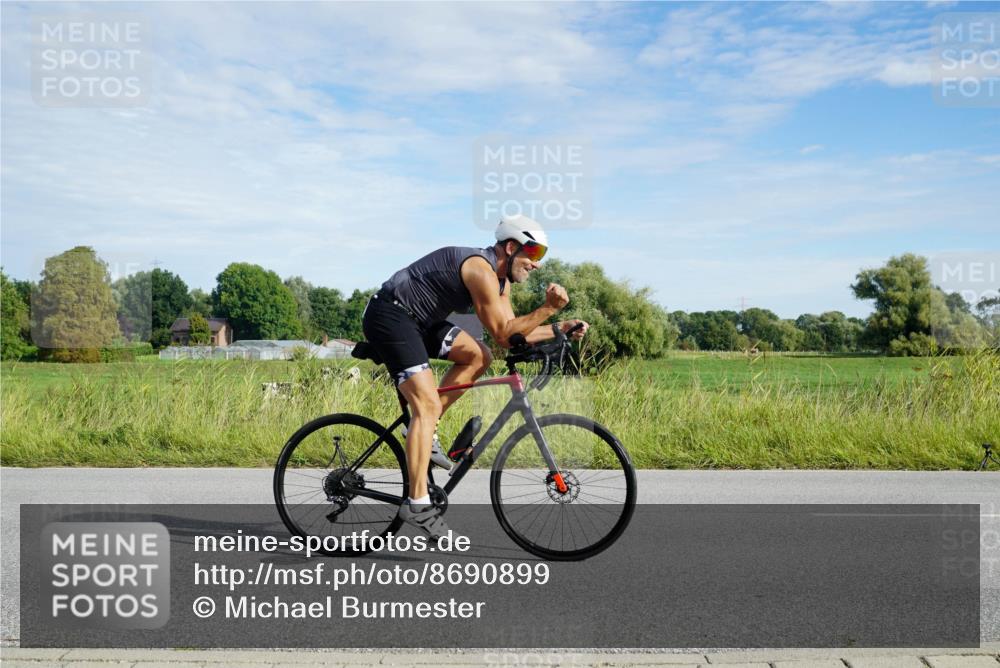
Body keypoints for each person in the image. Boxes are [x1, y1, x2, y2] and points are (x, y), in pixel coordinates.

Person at [361, 214, 589, 541]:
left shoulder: (501, 281)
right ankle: (418, 502)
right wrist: (549, 309)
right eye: (534, 253)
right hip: (391, 316)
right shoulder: (480, 270)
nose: (537, 264)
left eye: (542, 257)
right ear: (510, 247)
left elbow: (511, 335)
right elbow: (502, 331)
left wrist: (558, 328)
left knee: (478, 355)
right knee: (425, 407)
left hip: (421, 321)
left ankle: (424, 427)